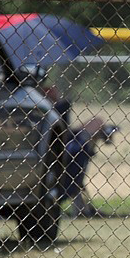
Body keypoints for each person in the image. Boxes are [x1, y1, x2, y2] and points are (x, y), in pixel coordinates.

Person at [44, 84, 114, 218]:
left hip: (67, 143)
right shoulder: (37, 111)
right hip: (56, 148)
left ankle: (83, 207)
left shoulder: (58, 111)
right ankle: (81, 207)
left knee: (97, 121)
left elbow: (65, 132)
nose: (52, 90)